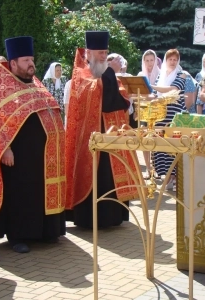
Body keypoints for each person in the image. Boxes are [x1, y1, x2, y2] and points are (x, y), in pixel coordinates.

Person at [0, 36, 66, 253]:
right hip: (18, 157)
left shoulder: (36, 84)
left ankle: (46, 232)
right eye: (26, 60)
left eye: (32, 59)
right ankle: (18, 236)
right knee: (21, 195)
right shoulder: (4, 90)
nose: (31, 63)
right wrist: (5, 148)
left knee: (38, 192)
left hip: (43, 155)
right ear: (13, 64)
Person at [65, 31, 139, 229]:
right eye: (100, 53)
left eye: (105, 52)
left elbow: (117, 99)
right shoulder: (81, 74)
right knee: (97, 177)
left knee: (110, 178)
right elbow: (97, 98)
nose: (103, 56)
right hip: (90, 141)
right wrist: (110, 74)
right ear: (88, 53)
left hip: (112, 136)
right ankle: (90, 219)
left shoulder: (108, 74)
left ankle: (114, 217)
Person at [151, 49, 187, 191]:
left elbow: (173, 89)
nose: (172, 62)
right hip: (160, 115)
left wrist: (150, 85)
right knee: (160, 145)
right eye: (170, 59)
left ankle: (174, 177)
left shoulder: (182, 74)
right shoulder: (160, 75)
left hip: (174, 116)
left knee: (172, 145)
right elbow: (154, 94)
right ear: (166, 60)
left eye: (175, 59)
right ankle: (165, 176)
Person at [137, 49, 161, 179]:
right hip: (144, 111)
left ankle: (156, 168)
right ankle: (147, 167)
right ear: (144, 61)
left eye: (152, 60)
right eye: (147, 60)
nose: (150, 63)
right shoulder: (141, 75)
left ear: (155, 60)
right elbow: (137, 93)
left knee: (156, 138)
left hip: (158, 112)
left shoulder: (161, 75)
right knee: (145, 138)